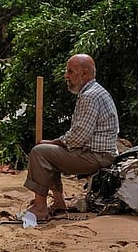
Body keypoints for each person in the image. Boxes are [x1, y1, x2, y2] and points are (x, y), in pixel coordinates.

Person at [23, 54, 119, 221]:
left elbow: (78, 137)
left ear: (85, 73)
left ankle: (40, 207)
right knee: (50, 152)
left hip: (96, 156)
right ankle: (59, 202)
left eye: (70, 71)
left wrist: (53, 142)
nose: (66, 76)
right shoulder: (94, 91)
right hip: (98, 153)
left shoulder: (89, 96)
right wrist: (56, 144)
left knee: (40, 152)